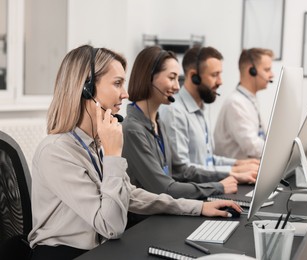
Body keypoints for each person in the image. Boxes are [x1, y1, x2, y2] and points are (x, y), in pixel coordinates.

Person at [27, 45, 242, 260]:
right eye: (117, 83)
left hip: (96, 251)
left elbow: (129, 194)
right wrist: (112, 155)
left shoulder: (91, 146)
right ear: (87, 88)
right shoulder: (56, 152)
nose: (125, 94)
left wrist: (198, 207)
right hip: (65, 255)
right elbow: (110, 226)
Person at [122, 46, 257, 200]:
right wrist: (219, 186)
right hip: (151, 217)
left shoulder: (158, 122)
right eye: (171, 78)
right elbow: (166, 186)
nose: (177, 86)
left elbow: (179, 171)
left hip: (169, 207)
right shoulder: (134, 129)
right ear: (149, 78)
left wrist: (238, 168)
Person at [159, 46, 260, 174]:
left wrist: (239, 164)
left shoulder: (200, 108)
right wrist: (233, 171)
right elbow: (182, 169)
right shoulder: (174, 112)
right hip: (191, 192)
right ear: (194, 76)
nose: (220, 81)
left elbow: (207, 160)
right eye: (214, 75)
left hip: (207, 186)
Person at [214, 48, 274, 159]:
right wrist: (279, 151)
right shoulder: (236, 103)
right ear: (252, 71)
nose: (272, 75)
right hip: (234, 174)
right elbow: (253, 147)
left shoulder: (249, 100)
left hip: (248, 170)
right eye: (267, 70)